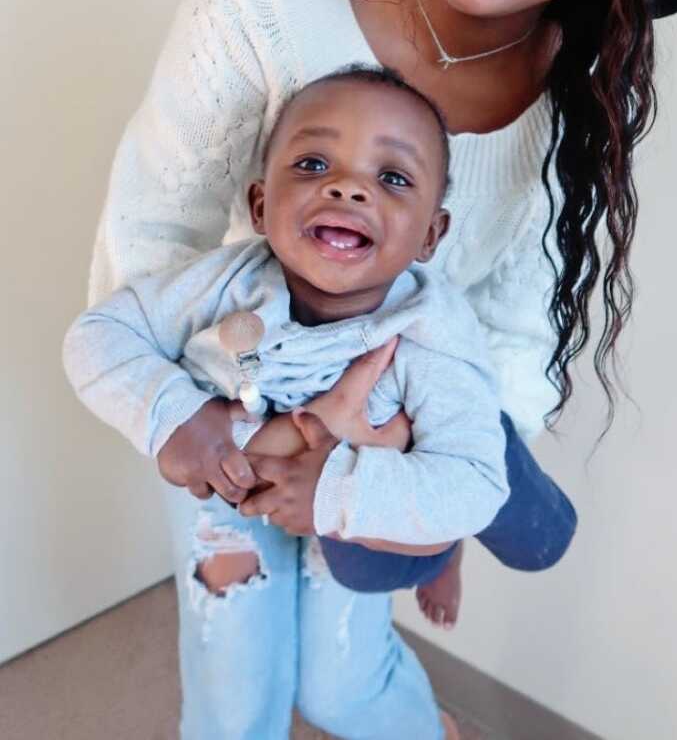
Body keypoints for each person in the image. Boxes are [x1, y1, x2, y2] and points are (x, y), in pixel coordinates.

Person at [84, 0, 677, 740]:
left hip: (389, 433)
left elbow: (521, 317)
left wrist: (444, 481)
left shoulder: (577, 93)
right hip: (226, 407)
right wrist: (199, 419)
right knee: (235, 683)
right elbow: (150, 226)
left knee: (345, 685)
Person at [65, 66, 575, 611]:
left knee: (537, 543)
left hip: (428, 438)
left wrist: (334, 493)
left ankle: (443, 550)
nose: (348, 187)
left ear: (430, 234)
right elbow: (99, 333)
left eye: (394, 178)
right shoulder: (227, 284)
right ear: (261, 205)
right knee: (365, 572)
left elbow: (475, 488)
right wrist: (175, 415)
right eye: (313, 164)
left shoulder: (431, 339)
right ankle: (428, 546)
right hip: (337, 445)